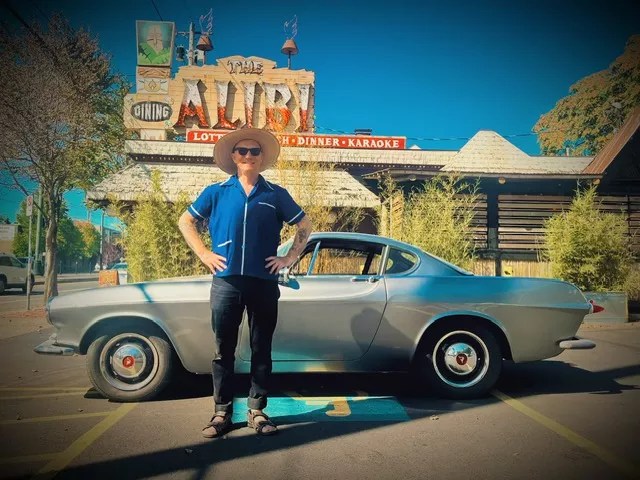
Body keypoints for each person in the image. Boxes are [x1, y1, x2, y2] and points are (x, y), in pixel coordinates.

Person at [178, 128, 312, 438]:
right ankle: (221, 412)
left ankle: (257, 410)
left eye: (255, 151)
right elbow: (185, 221)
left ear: (262, 158)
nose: (248, 155)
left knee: (261, 349)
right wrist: (203, 253)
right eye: (242, 150)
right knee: (222, 350)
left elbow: (304, 224)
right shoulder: (216, 192)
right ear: (233, 156)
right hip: (225, 283)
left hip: (263, 282)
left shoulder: (275, 194)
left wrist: (289, 258)